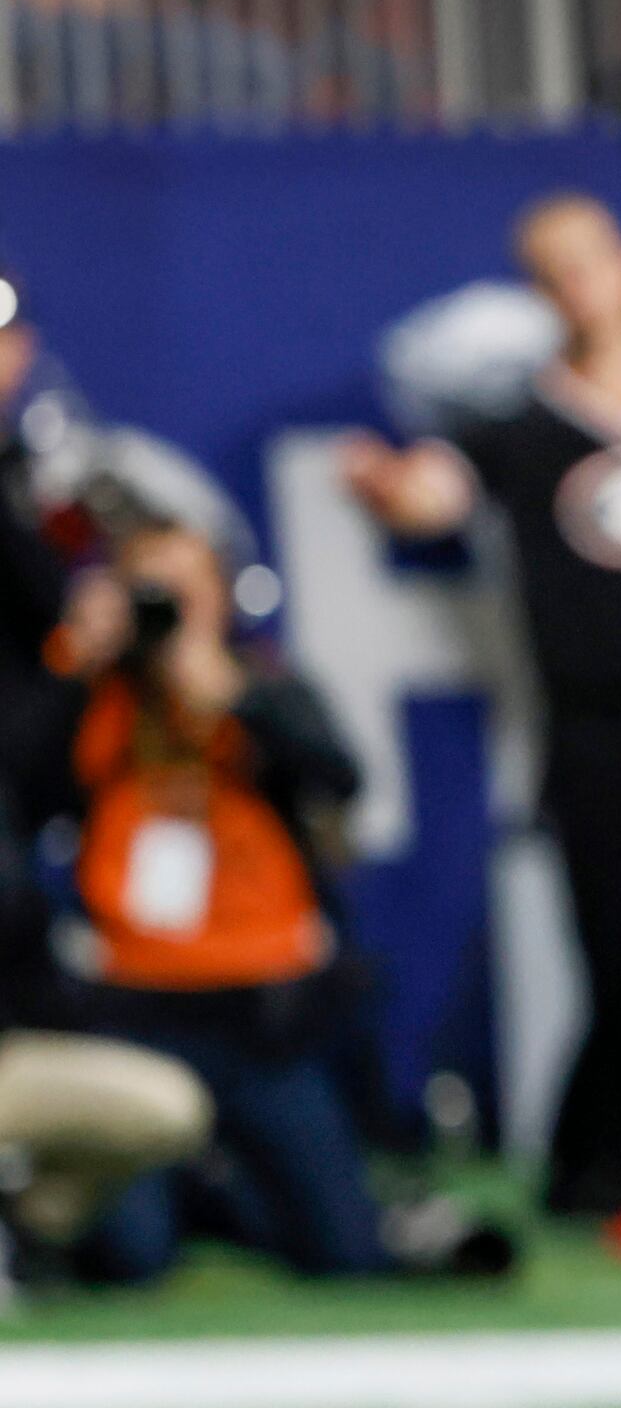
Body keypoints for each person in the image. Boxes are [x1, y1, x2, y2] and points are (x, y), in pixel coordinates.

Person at [348, 193, 621, 1252]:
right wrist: (386, 488)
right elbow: (431, 495)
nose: (576, 286)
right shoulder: (520, 429)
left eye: (587, 261)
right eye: (550, 271)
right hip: (595, 736)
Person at [52, 520, 384, 1285]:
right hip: (132, 1013)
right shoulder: (96, 696)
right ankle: (183, 1200)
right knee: (128, 1262)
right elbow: (27, 781)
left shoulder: (262, 686)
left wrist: (237, 699)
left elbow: (338, 781)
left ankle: (225, 1198)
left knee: (349, 1254)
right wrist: (77, 660)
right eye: (151, 585)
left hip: (258, 1020)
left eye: (186, 585)